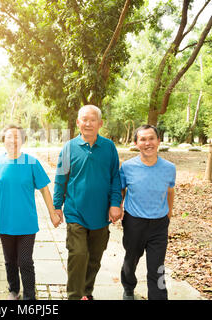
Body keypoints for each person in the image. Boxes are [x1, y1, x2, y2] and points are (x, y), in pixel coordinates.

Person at [0, 124, 63, 300]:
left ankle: (30, 296)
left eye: (17, 137)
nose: (13, 140)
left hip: (27, 223)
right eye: (9, 137)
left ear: (22, 141)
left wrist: (52, 213)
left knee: (25, 261)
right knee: (10, 261)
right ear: (3, 140)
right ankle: (13, 290)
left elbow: (44, 189)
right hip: (5, 222)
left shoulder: (31, 162)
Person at [53, 105, 122, 300]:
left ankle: (86, 292)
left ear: (100, 124)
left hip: (101, 214)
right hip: (76, 212)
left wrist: (115, 203)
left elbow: (115, 178)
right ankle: (74, 296)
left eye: (92, 120)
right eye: (84, 119)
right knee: (78, 254)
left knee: (94, 258)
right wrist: (57, 207)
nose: (88, 123)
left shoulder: (109, 147)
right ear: (78, 123)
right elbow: (60, 179)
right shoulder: (69, 148)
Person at [120, 124, 176, 300]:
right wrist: (118, 208)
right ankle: (128, 287)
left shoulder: (169, 168)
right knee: (131, 261)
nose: (148, 143)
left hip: (159, 225)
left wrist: (169, 213)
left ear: (158, 141)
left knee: (157, 268)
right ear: (136, 143)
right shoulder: (127, 167)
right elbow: (121, 191)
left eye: (151, 138)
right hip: (134, 222)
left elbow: (170, 191)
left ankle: (159, 297)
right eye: (142, 139)